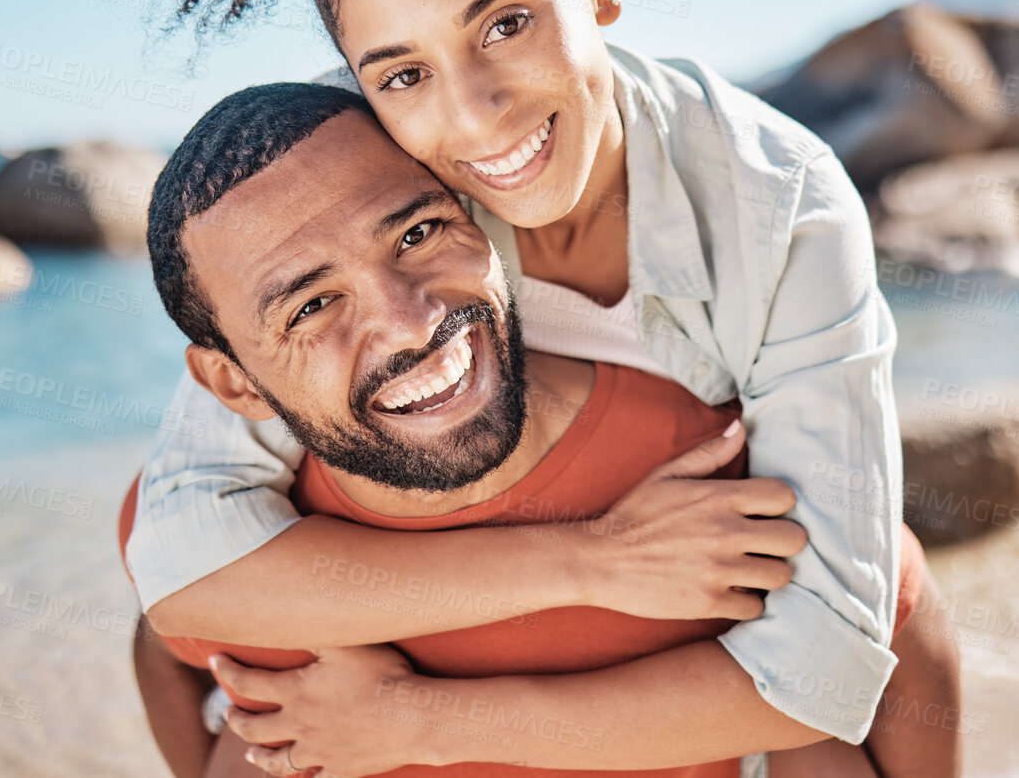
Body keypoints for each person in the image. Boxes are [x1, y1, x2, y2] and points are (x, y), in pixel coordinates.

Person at [121, 0, 960, 774]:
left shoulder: (776, 200)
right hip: (499, 563)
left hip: (694, 578)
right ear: (354, 74)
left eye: (506, 22)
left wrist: (415, 725)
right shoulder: (338, 165)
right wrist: (586, 563)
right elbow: (184, 553)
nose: (471, 119)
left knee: (902, 588)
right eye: (400, 71)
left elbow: (827, 663)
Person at [123, 82, 947, 778]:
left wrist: (419, 715)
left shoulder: (698, 461)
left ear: (481, 219)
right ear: (233, 383)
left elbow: (891, 611)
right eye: (310, 305)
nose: (407, 324)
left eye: (416, 234)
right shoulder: (240, 554)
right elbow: (168, 650)